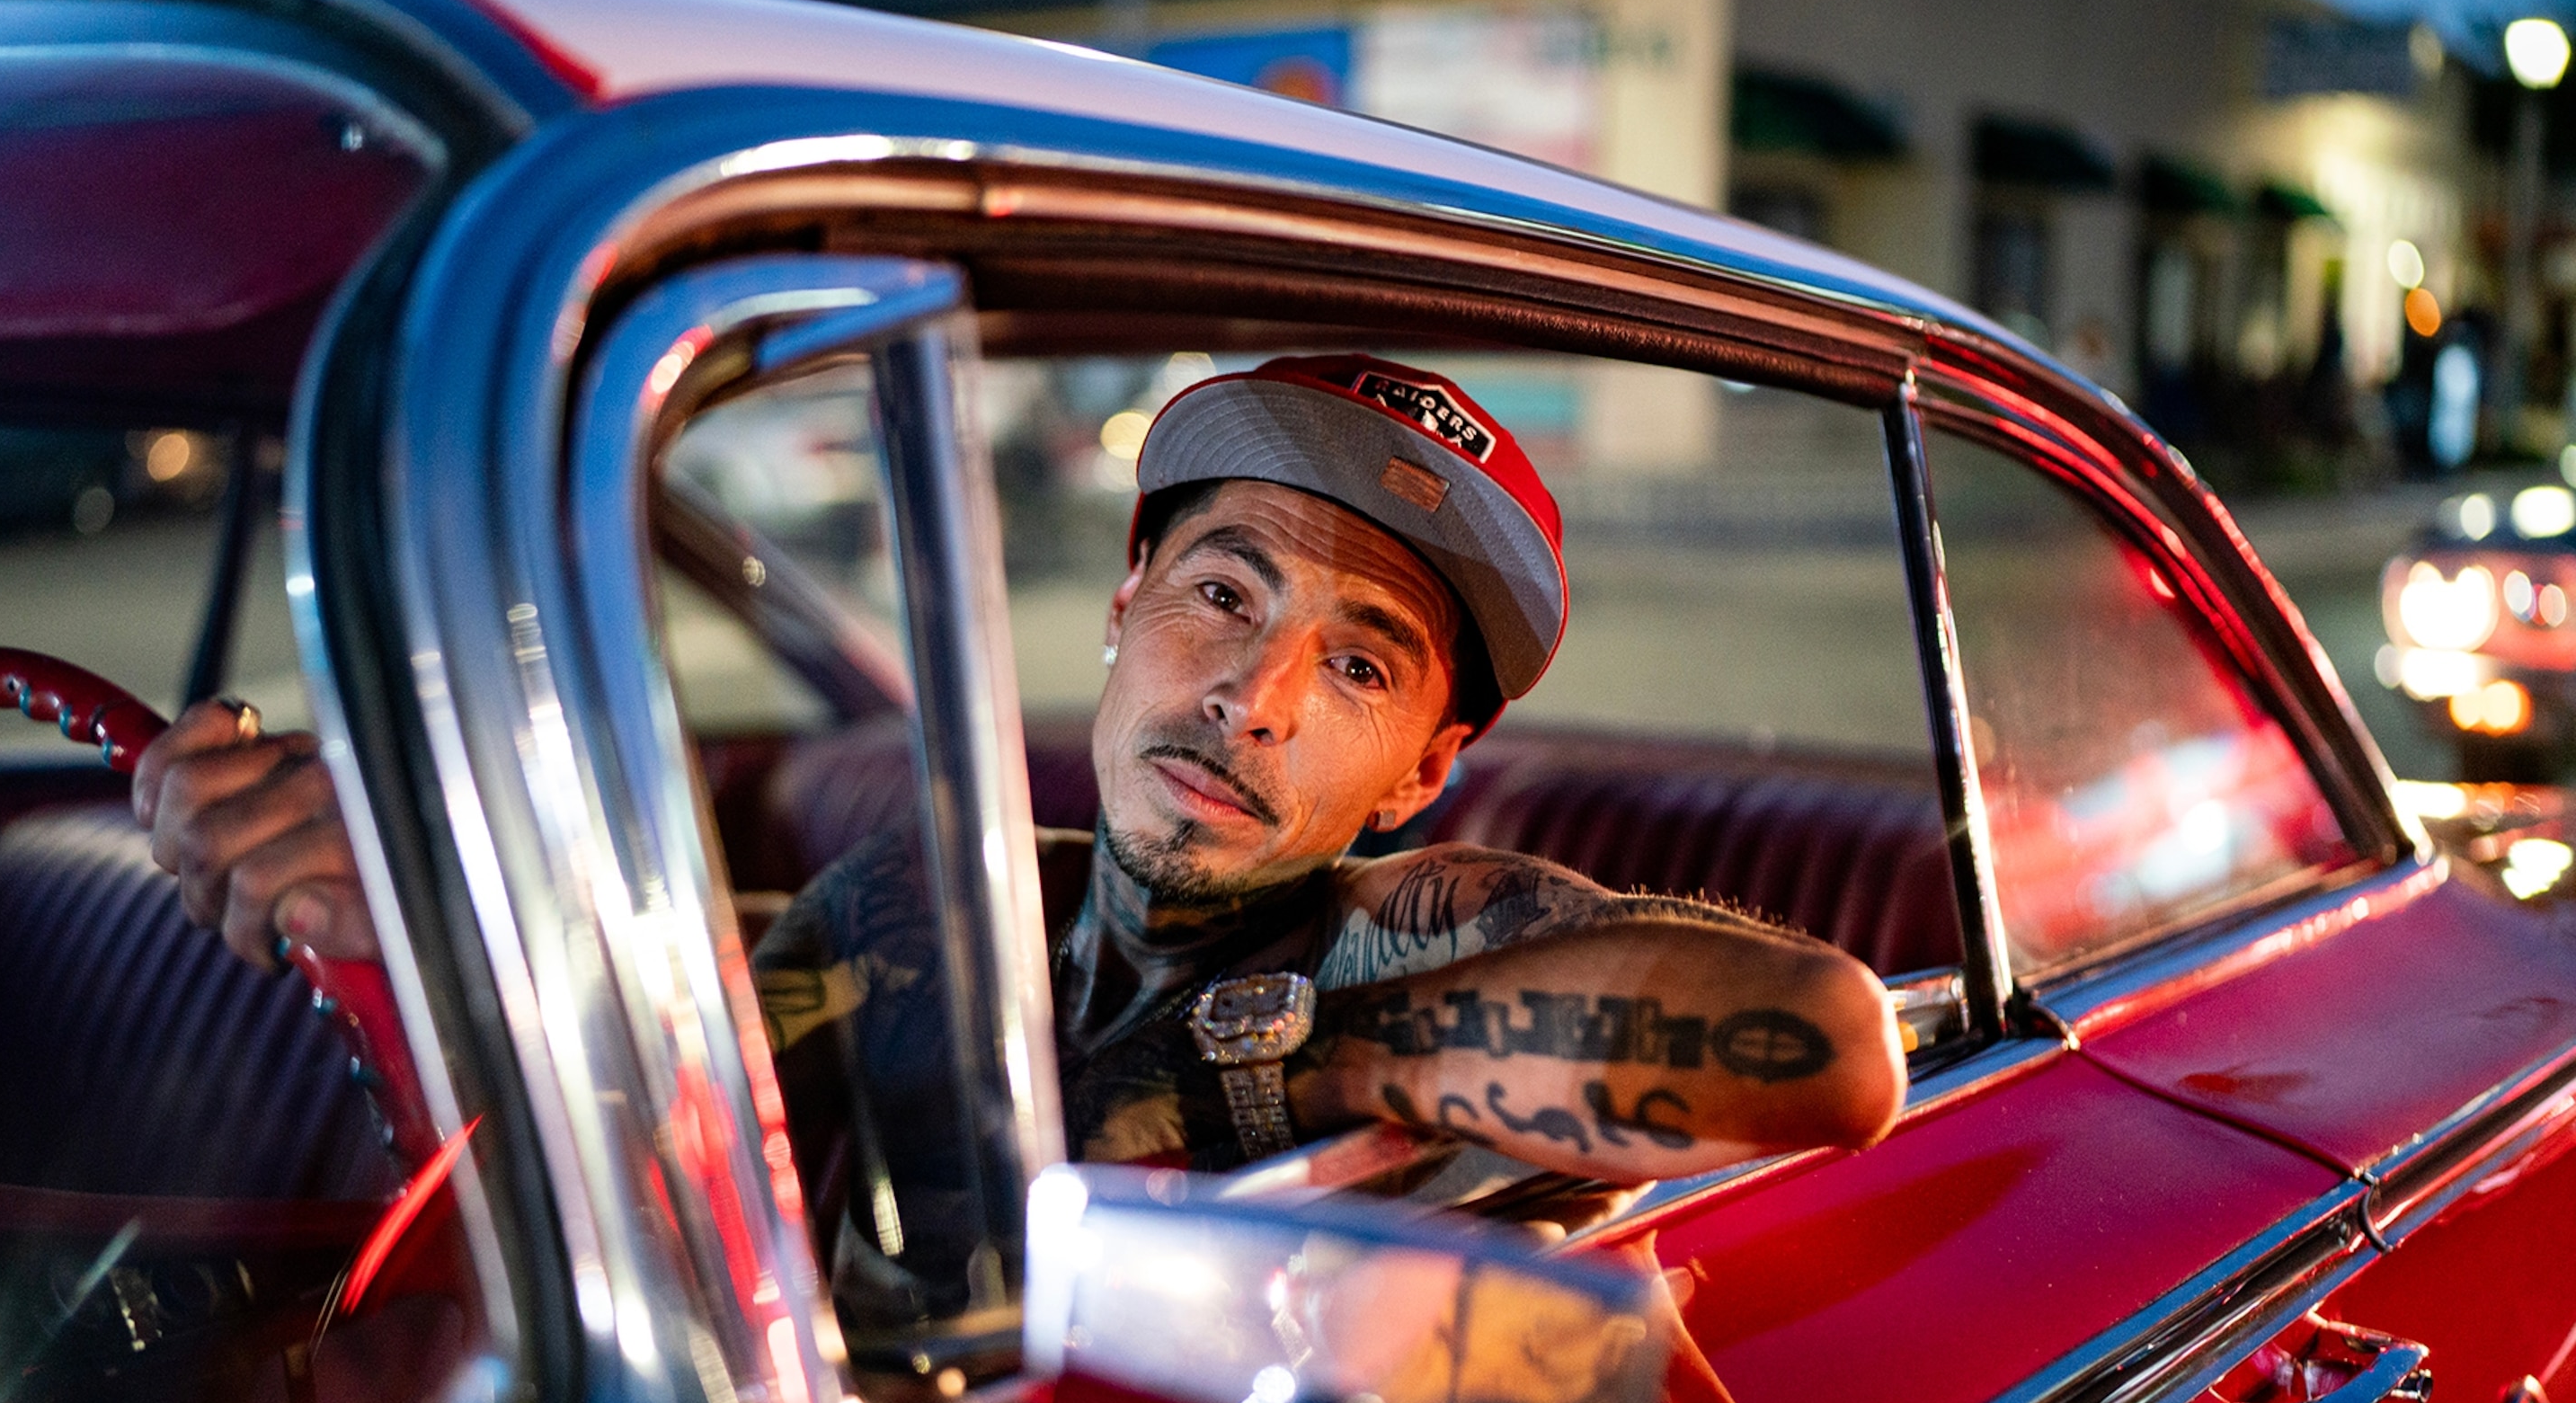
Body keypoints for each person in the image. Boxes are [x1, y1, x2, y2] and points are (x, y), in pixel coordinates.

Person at [134, 357, 1905, 1215]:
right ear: (1129, 605)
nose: (1253, 695)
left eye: (1359, 663)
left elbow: (1826, 1042)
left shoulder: (1403, 933)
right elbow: (678, 1011)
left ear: (1422, 770)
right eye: (1226, 592)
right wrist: (403, 888)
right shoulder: (942, 902)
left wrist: (1271, 1057)